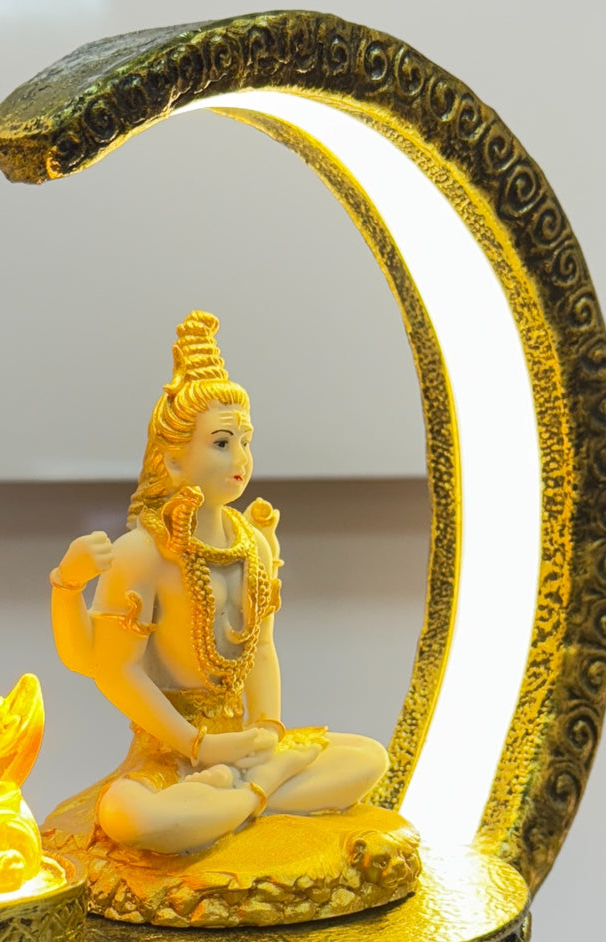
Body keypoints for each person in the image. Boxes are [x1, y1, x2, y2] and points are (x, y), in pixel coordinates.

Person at [49, 311, 388, 855]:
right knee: (130, 817)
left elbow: (262, 650)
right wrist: (197, 746)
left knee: (368, 758)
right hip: (171, 750)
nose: (241, 460)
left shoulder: (254, 542)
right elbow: (115, 670)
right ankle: (259, 792)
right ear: (173, 461)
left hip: (245, 745)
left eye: (246, 442)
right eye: (223, 443)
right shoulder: (142, 552)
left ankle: (239, 794)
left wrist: (270, 729)